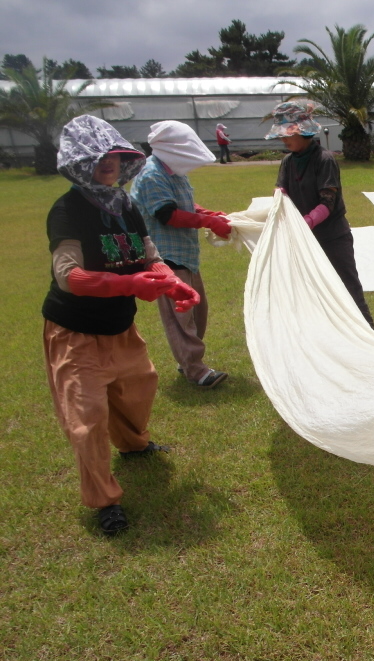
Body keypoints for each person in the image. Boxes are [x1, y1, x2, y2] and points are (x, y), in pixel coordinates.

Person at [43, 115, 200, 535]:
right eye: (96, 157)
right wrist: (127, 283)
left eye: (112, 154)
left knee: (139, 386)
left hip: (121, 326)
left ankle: (133, 445)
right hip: (75, 331)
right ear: (79, 163)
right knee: (88, 416)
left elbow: (149, 253)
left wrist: (170, 283)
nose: (107, 162)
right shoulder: (67, 210)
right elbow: (68, 275)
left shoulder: (125, 203)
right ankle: (104, 501)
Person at [130, 120, 232, 389]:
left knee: (198, 311)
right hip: (165, 258)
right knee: (180, 317)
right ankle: (195, 370)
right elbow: (167, 214)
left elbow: (184, 203)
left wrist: (206, 213)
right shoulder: (152, 174)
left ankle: (187, 361)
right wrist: (208, 223)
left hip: (185, 254)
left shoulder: (173, 172)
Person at [265, 101, 374, 329]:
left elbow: (328, 202)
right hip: (302, 239)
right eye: (282, 135)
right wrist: (279, 199)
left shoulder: (324, 159)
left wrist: (305, 222)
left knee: (347, 285)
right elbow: (281, 192)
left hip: (332, 236)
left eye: (289, 134)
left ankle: (369, 332)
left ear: (304, 132)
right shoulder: (287, 162)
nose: (284, 140)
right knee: (310, 289)